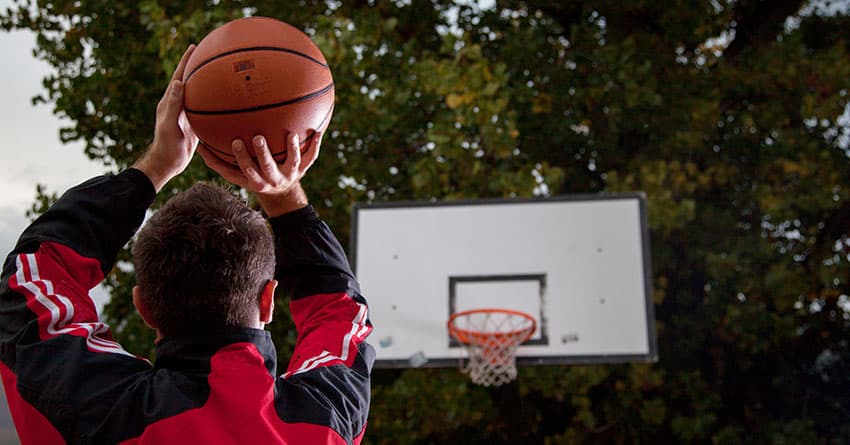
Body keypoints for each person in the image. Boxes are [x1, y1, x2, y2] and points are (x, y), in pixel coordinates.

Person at [0, 44, 374, 444]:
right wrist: (282, 191)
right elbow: (339, 315)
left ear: (143, 306)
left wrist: (156, 165)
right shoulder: (324, 420)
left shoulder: (96, 410)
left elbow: (31, 278)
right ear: (268, 300)